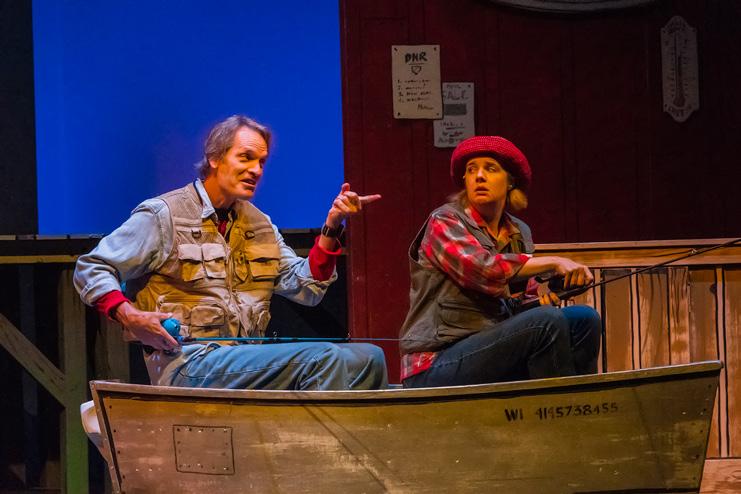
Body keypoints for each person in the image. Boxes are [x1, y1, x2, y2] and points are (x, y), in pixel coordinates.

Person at [74, 115, 388, 390]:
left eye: (261, 162)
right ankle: (314, 442)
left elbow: (307, 289)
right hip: (188, 363)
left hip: (245, 362)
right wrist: (130, 316)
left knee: (368, 358)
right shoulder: (164, 215)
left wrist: (332, 225)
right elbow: (91, 267)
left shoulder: (259, 224)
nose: (256, 170)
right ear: (215, 158)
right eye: (246, 158)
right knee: (323, 358)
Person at [399, 136, 601, 388]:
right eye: (471, 170)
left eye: (490, 169)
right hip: (437, 361)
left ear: (510, 181)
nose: (479, 176)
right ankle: (558, 408)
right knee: (546, 321)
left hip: (489, 347)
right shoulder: (445, 220)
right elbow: (483, 270)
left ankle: (583, 401)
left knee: (584, 318)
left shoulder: (518, 232)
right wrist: (553, 262)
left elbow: (519, 304)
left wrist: (550, 295)